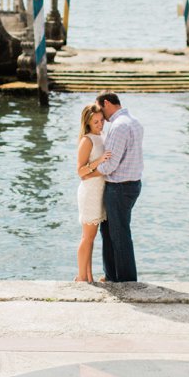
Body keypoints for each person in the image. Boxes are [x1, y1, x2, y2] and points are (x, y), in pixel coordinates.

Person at [95, 92, 144, 284]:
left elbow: (109, 165)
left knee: (118, 235)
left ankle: (126, 281)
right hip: (131, 184)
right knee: (110, 232)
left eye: (100, 109)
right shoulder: (134, 121)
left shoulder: (119, 126)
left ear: (106, 103)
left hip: (119, 187)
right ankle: (112, 276)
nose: (101, 116)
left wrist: (88, 170)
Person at [74, 102, 113, 284]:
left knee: (92, 238)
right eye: (95, 122)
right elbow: (80, 172)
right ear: (88, 123)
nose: (100, 124)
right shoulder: (87, 140)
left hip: (101, 191)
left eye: (101, 120)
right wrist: (98, 161)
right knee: (87, 237)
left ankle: (88, 276)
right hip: (90, 192)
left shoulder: (103, 135)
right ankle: (81, 277)